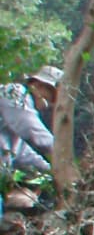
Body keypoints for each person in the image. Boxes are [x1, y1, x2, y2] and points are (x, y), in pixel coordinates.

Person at [1, 65, 60, 213]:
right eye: (47, 98)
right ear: (37, 85)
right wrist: (63, 156)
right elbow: (35, 133)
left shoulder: (13, 122)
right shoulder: (15, 93)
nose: (46, 105)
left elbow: (22, 153)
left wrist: (50, 170)